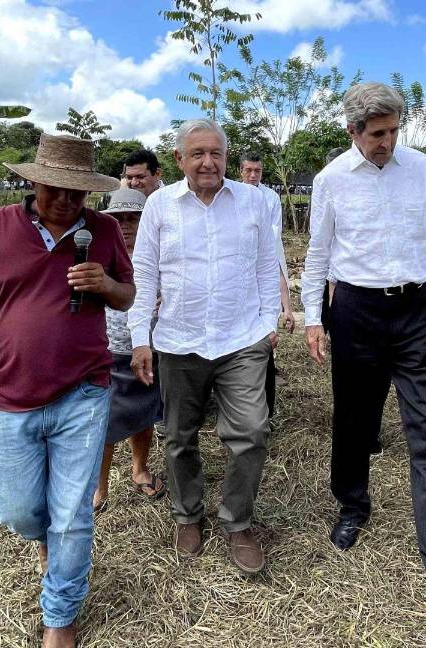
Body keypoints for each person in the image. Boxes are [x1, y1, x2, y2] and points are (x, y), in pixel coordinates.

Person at [0, 134, 132, 648]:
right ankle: (46, 542)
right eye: (54, 189)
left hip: (85, 391)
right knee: (19, 510)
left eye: (77, 192)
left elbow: (127, 295)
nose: (65, 201)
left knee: (72, 514)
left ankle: (59, 617)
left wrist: (106, 285)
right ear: (34, 182)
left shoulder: (105, 231)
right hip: (14, 393)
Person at [301, 82, 426, 622]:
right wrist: (313, 317)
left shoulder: (423, 169)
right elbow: (318, 252)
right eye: (377, 133)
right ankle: (352, 504)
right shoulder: (330, 179)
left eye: (393, 131)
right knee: (354, 420)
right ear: (353, 130)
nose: (387, 142)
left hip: (413, 313)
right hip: (354, 312)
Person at [128, 118, 280, 574]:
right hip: (179, 339)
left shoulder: (253, 201)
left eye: (216, 153)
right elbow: (145, 274)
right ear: (179, 159)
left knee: (251, 431)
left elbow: (266, 264)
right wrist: (140, 338)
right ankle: (188, 514)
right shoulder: (160, 206)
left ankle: (238, 522)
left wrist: (267, 323)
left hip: (241, 338)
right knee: (179, 436)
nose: (208, 162)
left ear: (227, 157)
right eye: (197, 154)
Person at [91, 188, 166, 512]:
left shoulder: (159, 253)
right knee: (105, 421)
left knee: (143, 413)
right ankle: (99, 485)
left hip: (150, 347)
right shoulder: (99, 254)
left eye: (133, 218)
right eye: (118, 218)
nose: (125, 225)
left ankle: (139, 469)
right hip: (109, 349)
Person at [238, 151, 293, 419]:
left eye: (257, 171)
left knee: (263, 344)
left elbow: (273, 246)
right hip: (238, 275)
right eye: (248, 170)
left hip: (262, 270)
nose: (252, 175)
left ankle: (266, 411)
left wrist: (286, 305)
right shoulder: (232, 195)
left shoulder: (270, 198)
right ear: (240, 171)